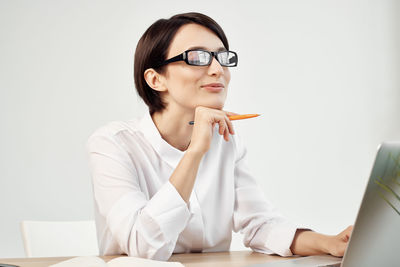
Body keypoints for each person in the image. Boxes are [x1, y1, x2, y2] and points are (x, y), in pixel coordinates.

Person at [86, 12, 353, 261]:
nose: (217, 70)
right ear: (156, 80)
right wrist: (195, 152)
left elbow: (259, 224)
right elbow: (142, 247)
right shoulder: (112, 144)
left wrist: (329, 243)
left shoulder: (226, 141)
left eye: (222, 58)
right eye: (197, 57)